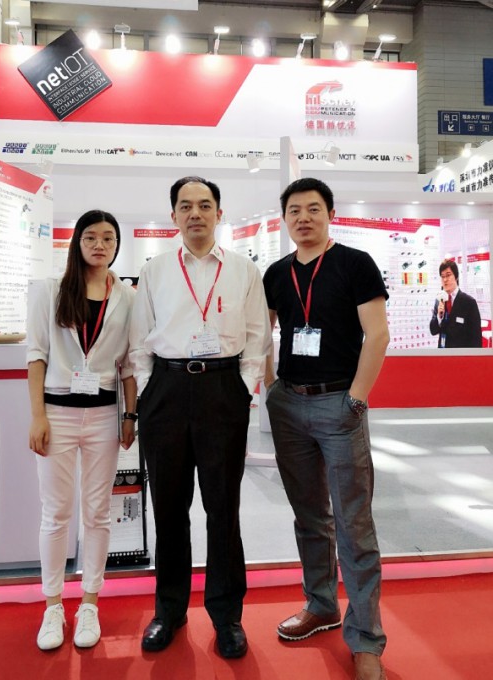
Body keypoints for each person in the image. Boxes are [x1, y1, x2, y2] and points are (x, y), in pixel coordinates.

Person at [129, 176, 272, 659]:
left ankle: (227, 616)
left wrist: (243, 388)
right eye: (186, 206)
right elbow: (139, 339)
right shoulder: (155, 270)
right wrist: (149, 390)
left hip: (222, 389)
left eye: (204, 205)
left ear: (218, 213)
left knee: (222, 508)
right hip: (166, 391)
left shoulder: (243, 269)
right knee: (169, 508)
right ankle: (169, 610)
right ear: (173, 215)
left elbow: (257, 335)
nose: (195, 213)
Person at [262, 177, 390, 680]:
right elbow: (261, 333)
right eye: (294, 210)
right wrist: (270, 387)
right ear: (285, 219)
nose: (303, 218)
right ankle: (321, 605)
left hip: (340, 404)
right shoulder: (276, 273)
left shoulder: (356, 264)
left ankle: (366, 639)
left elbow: (377, 335)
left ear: (329, 213)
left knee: (354, 524)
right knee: (309, 515)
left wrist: (356, 398)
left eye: (313, 208)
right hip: (289, 406)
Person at [26, 209, 137, 652]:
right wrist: (37, 416)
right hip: (58, 413)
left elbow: (129, 364)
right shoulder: (52, 290)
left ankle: (89, 602)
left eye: (108, 238)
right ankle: (53, 605)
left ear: (117, 246)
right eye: (91, 237)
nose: (99, 245)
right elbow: (36, 355)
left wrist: (130, 416)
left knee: (97, 513)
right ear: (77, 242)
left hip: (104, 416)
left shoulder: (126, 296)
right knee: (55, 512)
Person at [429, 258, 482, 348]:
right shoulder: (439, 300)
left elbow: (476, 339)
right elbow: (433, 330)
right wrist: (439, 317)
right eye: (442, 276)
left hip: (461, 354)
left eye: (448, 275)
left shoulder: (469, 302)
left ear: (456, 276)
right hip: (443, 353)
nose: (445, 280)